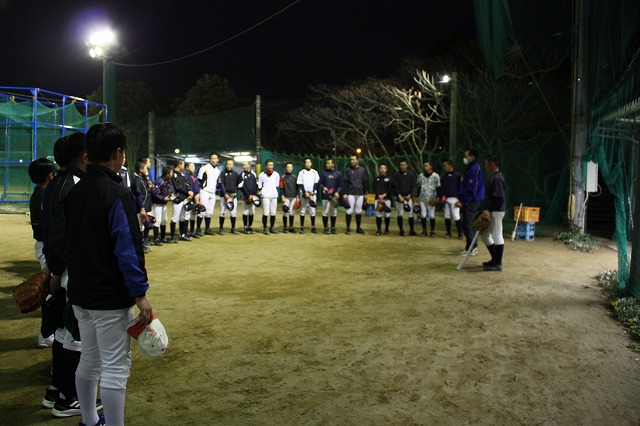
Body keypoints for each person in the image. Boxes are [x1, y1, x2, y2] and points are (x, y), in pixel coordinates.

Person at [66, 122, 153, 426]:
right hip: (108, 297)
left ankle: (90, 421)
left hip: (80, 293)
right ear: (117, 153)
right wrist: (140, 294)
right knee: (116, 367)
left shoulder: (75, 192)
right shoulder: (116, 193)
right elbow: (127, 249)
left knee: (89, 359)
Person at [46, 132, 91, 418]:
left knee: (64, 332)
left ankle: (56, 390)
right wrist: (56, 269)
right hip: (70, 270)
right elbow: (61, 233)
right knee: (75, 336)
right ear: (84, 157)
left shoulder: (56, 182)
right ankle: (68, 398)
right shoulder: (75, 184)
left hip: (61, 268)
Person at [28, 157, 57, 348]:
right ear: (50, 175)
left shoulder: (41, 194)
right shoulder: (42, 196)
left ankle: (49, 332)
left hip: (45, 245)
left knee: (52, 289)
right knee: (50, 291)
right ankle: (46, 334)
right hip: (46, 246)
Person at [456, 148, 485, 256]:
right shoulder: (470, 168)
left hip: (472, 201)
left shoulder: (474, 169)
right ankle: (471, 246)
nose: (465, 158)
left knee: (468, 224)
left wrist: (464, 201)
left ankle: (472, 248)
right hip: (470, 200)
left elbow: (472, 188)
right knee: (467, 224)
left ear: (472, 157)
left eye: (466, 156)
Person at [481, 155, 506, 271]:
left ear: (492, 164)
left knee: (497, 235)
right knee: (485, 236)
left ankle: (498, 263)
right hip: (493, 210)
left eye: (487, 163)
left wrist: (489, 209)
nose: (486, 166)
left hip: (496, 211)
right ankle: (495, 259)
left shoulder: (497, 178)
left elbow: (499, 197)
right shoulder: (494, 177)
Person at [196, 152, 221, 236]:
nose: (213, 160)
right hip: (204, 191)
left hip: (212, 192)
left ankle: (207, 229)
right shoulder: (204, 168)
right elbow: (199, 180)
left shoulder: (217, 170)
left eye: (215, 158)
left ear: (218, 160)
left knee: (209, 212)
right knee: (202, 211)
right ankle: (198, 229)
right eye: (212, 158)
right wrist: (199, 192)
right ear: (210, 159)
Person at [342, 154, 367, 234]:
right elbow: (345, 182)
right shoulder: (348, 170)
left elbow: (364, 182)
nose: (352, 161)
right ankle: (348, 228)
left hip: (360, 193)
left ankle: (358, 228)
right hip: (351, 193)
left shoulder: (362, 170)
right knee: (349, 210)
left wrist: (365, 193)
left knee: (359, 210)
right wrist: (345, 193)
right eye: (351, 160)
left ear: (357, 160)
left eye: (353, 159)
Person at [131, 159, 152, 254]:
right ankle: (138, 247)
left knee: (142, 227)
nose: (147, 170)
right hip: (139, 208)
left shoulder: (141, 179)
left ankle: (141, 245)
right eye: (145, 169)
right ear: (140, 169)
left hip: (142, 207)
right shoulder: (137, 180)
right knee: (139, 227)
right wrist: (142, 208)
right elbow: (138, 195)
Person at [170, 159, 193, 242]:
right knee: (175, 217)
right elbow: (178, 187)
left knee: (183, 216)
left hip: (184, 198)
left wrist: (189, 192)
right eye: (182, 164)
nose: (183, 166)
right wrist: (188, 192)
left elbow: (187, 184)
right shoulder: (173, 174)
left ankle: (183, 234)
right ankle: (172, 236)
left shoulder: (182, 174)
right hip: (178, 198)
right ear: (179, 165)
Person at [392, 159, 417, 236]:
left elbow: (413, 186)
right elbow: (395, 186)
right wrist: (399, 195)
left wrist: (410, 194)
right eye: (401, 165)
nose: (402, 166)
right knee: (400, 213)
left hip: (408, 197)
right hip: (400, 198)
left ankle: (412, 230)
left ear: (407, 165)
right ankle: (401, 230)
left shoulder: (411, 174)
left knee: (410, 213)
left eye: (404, 165)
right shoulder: (396, 175)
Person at [416, 161, 442, 237]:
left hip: (431, 198)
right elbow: (419, 187)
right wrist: (417, 196)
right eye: (424, 166)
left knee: (431, 215)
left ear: (431, 166)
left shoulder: (435, 176)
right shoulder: (421, 176)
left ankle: (432, 231)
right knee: (423, 214)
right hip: (422, 197)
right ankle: (424, 230)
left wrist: (437, 198)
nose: (425, 167)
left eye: (427, 165)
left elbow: (438, 187)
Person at [150, 167, 174, 245]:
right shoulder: (159, 181)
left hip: (164, 204)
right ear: (167, 174)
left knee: (164, 220)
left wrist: (171, 195)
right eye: (171, 173)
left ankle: (163, 237)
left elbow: (170, 190)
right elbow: (154, 193)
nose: (172, 174)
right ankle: (155, 238)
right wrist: (163, 198)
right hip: (158, 204)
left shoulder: (168, 181)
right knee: (158, 220)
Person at [441, 159, 463, 239]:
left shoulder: (458, 176)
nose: (444, 167)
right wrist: (442, 197)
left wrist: (460, 200)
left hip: (455, 198)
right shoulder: (444, 177)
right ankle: (448, 232)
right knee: (447, 216)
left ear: (450, 165)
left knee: (456, 216)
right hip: (447, 198)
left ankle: (460, 233)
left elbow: (461, 188)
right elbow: (442, 188)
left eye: (445, 165)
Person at [318, 158, 342, 234]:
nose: (327, 165)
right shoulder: (323, 173)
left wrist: (337, 192)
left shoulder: (338, 174)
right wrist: (323, 187)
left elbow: (340, 185)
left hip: (334, 196)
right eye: (326, 163)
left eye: (329, 163)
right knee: (325, 212)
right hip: (326, 196)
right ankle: (325, 228)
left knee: (334, 212)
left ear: (333, 164)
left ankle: (333, 228)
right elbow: (320, 183)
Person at [297, 157, 320, 234]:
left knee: (312, 210)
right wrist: (304, 192)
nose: (308, 164)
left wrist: (313, 191)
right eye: (306, 162)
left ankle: (313, 227)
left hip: (312, 194)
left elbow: (316, 183)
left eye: (309, 162)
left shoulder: (314, 172)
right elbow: (300, 183)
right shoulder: (301, 172)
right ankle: (302, 227)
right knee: (302, 210)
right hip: (304, 194)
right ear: (304, 164)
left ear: (311, 163)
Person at [258, 159, 280, 234]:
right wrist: (261, 194)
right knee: (266, 212)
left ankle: (272, 227)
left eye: (272, 165)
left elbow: (276, 185)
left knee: (273, 212)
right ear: (266, 166)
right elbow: (259, 186)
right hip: (265, 196)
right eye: (269, 165)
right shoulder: (262, 175)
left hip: (274, 195)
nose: (270, 166)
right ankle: (265, 228)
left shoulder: (276, 174)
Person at [218, 159, 241, 234]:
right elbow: (221, 184)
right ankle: (221, 228)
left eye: (230, 164)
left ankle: (233, 228)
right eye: (227, 164)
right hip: (224, 196)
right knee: (223, 212)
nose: (228, 166)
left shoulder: (236, 174)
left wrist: (235, 193)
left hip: (233, 196)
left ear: (233, 165)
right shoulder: (222, 173)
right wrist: (225, 194)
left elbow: (237, 185)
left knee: (233, 212)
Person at [372, 163, 393, 236]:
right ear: (379, 169)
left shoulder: (389, 179)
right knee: (378, 215)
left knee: (387, 215)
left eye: (384, 168)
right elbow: (374, 188)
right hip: (378, 200)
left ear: (386, 169)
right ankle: (379, 230)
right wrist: (379, 196)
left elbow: (390, 189)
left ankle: (386, 229)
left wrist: (384, 195)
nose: (382, 169)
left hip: (387, 199)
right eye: (381, 168)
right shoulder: (376, 179)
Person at [239, 161, 258, 234]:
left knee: (252, 211)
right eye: (243, 165)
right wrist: (248, 195)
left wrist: (253, 195)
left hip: (253, 196)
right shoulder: (242, 174)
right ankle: (245, 227)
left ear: (249, 166)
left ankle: (250, 226)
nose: (244, 166)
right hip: (245, 196)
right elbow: (241, 187)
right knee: (245, 211)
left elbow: (256, 185)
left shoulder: (254, 174)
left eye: (245, 165)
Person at [279, 162, 299, 233]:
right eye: (288, 167)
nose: (289, 168)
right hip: (286, 196)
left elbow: (297, 188)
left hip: (293, 196)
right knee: (285, 211)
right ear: (285, 168)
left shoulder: (294, 177)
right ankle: (285, 227)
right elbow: (281, 187)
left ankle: (291, 227)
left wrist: (297, 196)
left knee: (292, 212)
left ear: (292, 168)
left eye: (291, 167)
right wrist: (282, 196)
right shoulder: (282, 177)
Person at [184, 162, 201, 238]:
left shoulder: (194, 176)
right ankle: (185, 232)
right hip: (189, 198)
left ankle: (192, 231)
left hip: (195, 198)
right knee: (187, 215)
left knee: (193, 215)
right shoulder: (186, 176)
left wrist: (198, 194)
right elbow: (188, 187)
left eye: (193, 166)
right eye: (191, 166)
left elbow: (197, 187)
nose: (193, 168)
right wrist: (193, 195)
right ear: (187, 168)